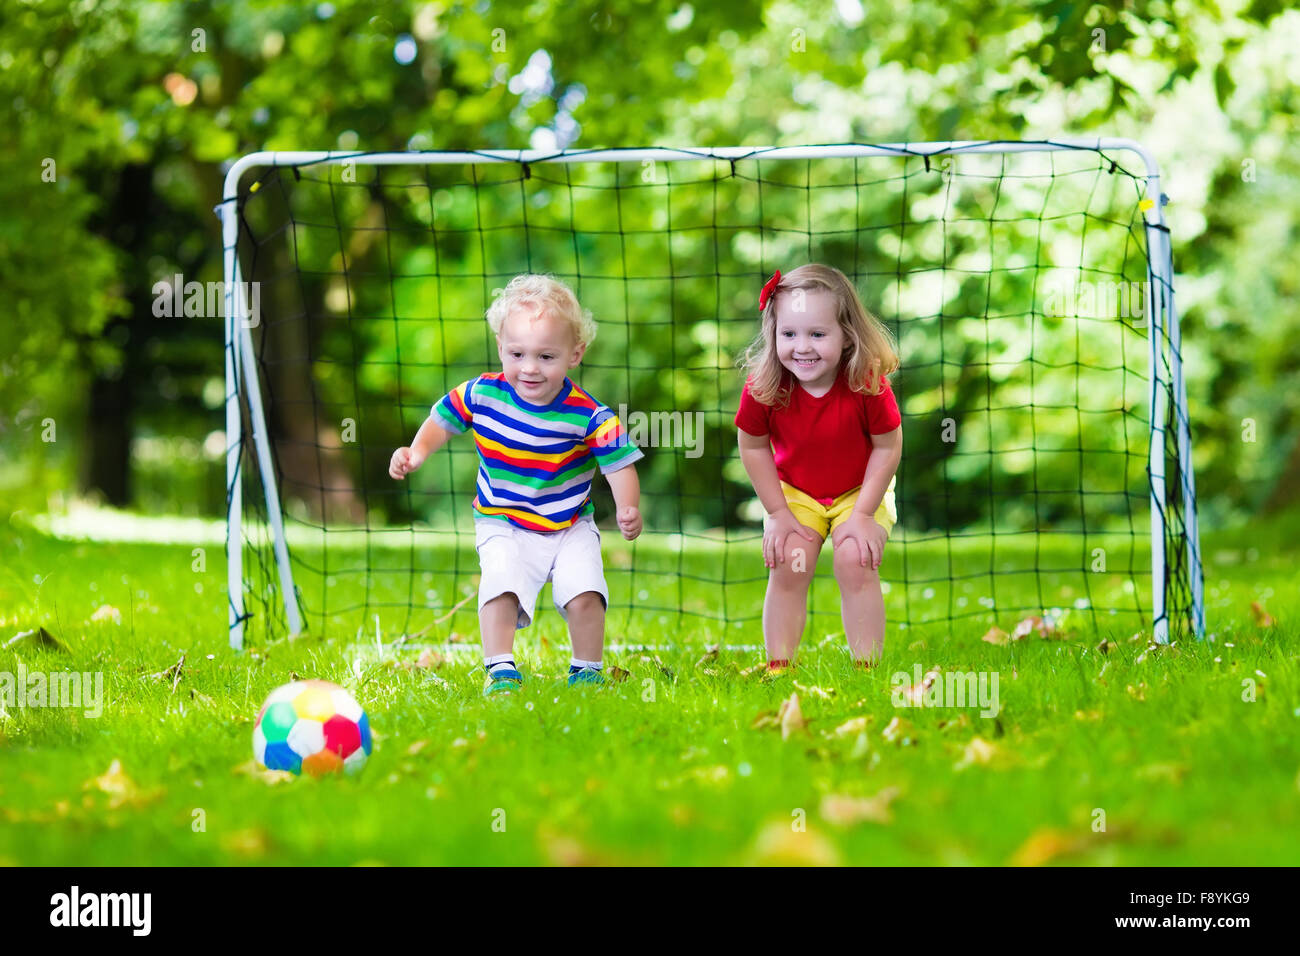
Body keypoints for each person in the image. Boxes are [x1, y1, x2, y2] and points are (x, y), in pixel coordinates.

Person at [390, 274, 643, 695]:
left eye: (546, 356)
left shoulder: (589, 414)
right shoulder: (481, 394)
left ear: (575, 353)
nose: (529, 367)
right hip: (501, 521)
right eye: (517, 353)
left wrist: (627, 507)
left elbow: (619, 464)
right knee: (500, 586)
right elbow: (442, 420)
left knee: (586, 594)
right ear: (501, 348)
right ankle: (500, 668)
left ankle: (587, 670)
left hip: (568, 526)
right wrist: (416, 453)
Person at [735, 264, 903, 670]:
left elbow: (888, 445)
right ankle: (779, 665)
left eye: (817, 334)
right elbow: (753, 446)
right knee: (791, 559)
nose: (802, 346)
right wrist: (776, 513)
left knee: (854, 559)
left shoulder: (867, 380)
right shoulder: (764, 386)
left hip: (859, 491)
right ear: (773, 334)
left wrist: (863, 515)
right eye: (789, 334)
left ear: (847, 335)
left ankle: (866, 667)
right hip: (795, 492)